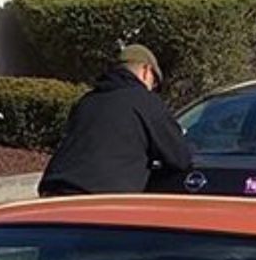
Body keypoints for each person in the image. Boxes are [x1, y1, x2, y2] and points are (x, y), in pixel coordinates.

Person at [37, 44, 192, 197]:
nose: (152, 87)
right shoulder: (144, 101)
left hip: (52, 193)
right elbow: (180, 158)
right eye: (154, 82)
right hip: (98, 200)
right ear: (146, 71)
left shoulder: (86, 102)